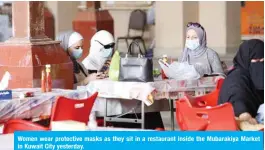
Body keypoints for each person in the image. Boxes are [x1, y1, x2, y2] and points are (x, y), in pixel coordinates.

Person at [218, 39, 264, 126]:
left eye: (263, 61)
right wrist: (243, 114)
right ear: (245, 58)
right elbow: (236, 96)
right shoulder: (236, 78)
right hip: (234, 129)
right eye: (256, 60)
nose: (260, 64)